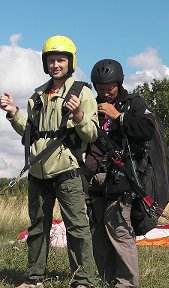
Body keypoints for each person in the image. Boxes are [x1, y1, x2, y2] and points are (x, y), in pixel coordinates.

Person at [0, 35, 98, 288]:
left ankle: (83, 280)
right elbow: (29, 132)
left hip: (67, 171)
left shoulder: (83, 92)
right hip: (37, 173)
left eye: (61, 60)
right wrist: (13, 113)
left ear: (70, 62)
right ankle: (34, 279)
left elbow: (91, 134)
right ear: (46, 63)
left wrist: (78, 114)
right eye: (52, 60)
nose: (56, 64)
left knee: (77, 228)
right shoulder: (37, 96)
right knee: (37, 228)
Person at [81, 59, 156, 288]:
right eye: (101, 88)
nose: (106, 92)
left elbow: (148, 129)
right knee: (98, 232)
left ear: (119, 83)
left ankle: (126, 283)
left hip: (121, 176)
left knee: (119, 229)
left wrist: (118, 117)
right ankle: (107, 279)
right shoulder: (91, 106)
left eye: (110, 87)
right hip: (94, 177)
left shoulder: (133, 104)